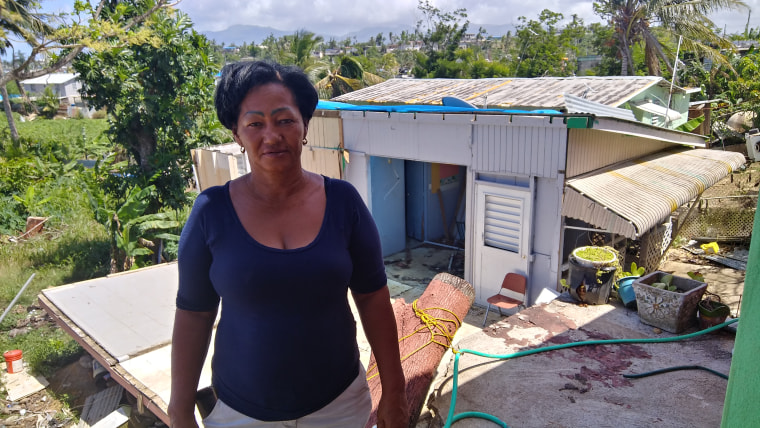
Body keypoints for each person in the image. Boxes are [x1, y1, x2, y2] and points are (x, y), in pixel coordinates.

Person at [169, 60, 409, 427]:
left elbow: (373, 299)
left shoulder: (344, 204)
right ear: (236, 133)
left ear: (304, 126)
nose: (272, 135)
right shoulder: (210, 213)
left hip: (339, 407)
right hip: (241, 414)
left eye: (284, 120)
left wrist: (394, 390)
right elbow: (194, 314)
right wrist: (180, 408)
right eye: (255, 123)